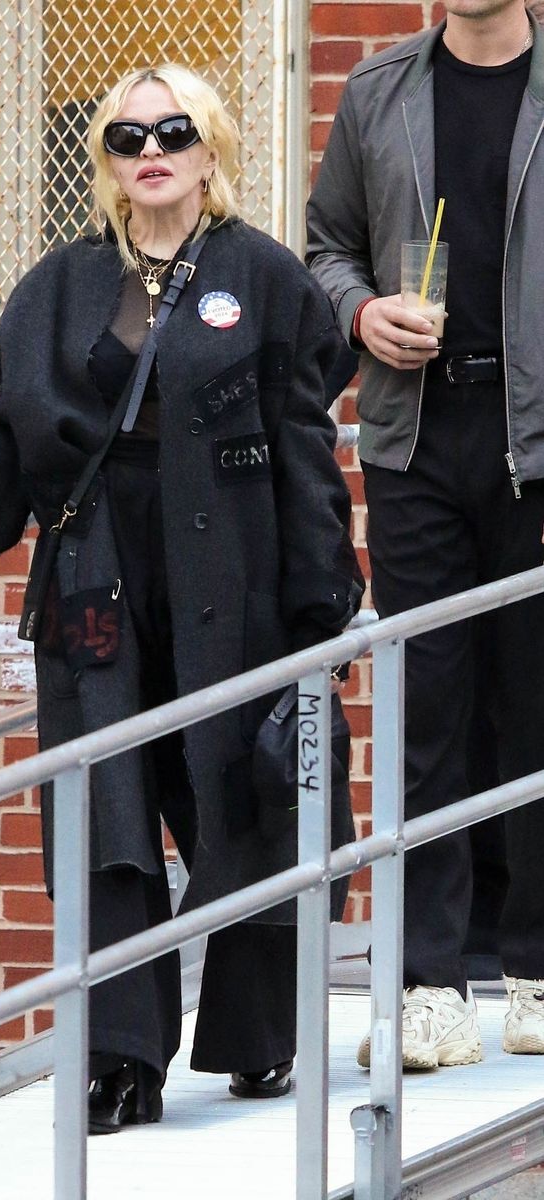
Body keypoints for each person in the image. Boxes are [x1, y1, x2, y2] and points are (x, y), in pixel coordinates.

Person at [0, 63, 363, 1129]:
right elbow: (14, 437)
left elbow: (307, 450)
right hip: (98, 581)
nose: (151, 152)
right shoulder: (61, 286)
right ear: (106, 161)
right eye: (127, 139)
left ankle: (259, 1038)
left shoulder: (265, 280)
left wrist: (323, 605)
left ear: (211, 149)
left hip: (239, 576)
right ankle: (121, 1057)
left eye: (173, 131)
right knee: (107, 805)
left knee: (255, 796)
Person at [306, 0, 544, 1070]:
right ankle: (427, 986)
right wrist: (363, 315)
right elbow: (325, 250)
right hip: (415, 444)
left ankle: (536, 975)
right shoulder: (377, 91)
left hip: (535, 446)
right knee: (426, 712)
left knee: (538, 705)